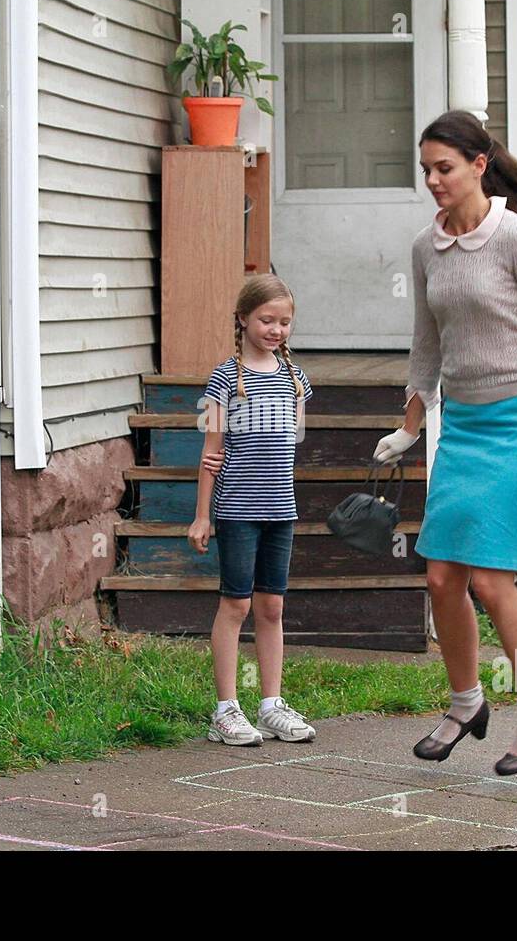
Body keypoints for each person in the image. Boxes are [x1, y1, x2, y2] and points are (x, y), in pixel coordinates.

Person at [373, 110, 517, 776]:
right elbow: (427, 344)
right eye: (426, 171)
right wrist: (409, 426)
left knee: (495, 580)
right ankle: (467, 701)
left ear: (478, 163)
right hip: (463, 429)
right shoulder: (424, 247)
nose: (434, 182)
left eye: (444, 168)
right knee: (443, 575)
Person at [187, 274, 317, 747]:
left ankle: (270, 706)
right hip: (237, 509)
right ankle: (225, 710)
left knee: (272, 606)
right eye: (266, 319)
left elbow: (293, 439)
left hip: (281, 508)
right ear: (242, 319)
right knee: (236, 604)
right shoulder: (222, 380)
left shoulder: (295, 379)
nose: (276, 329)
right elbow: (211, 453)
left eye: (285, 321)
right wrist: (203, 515)